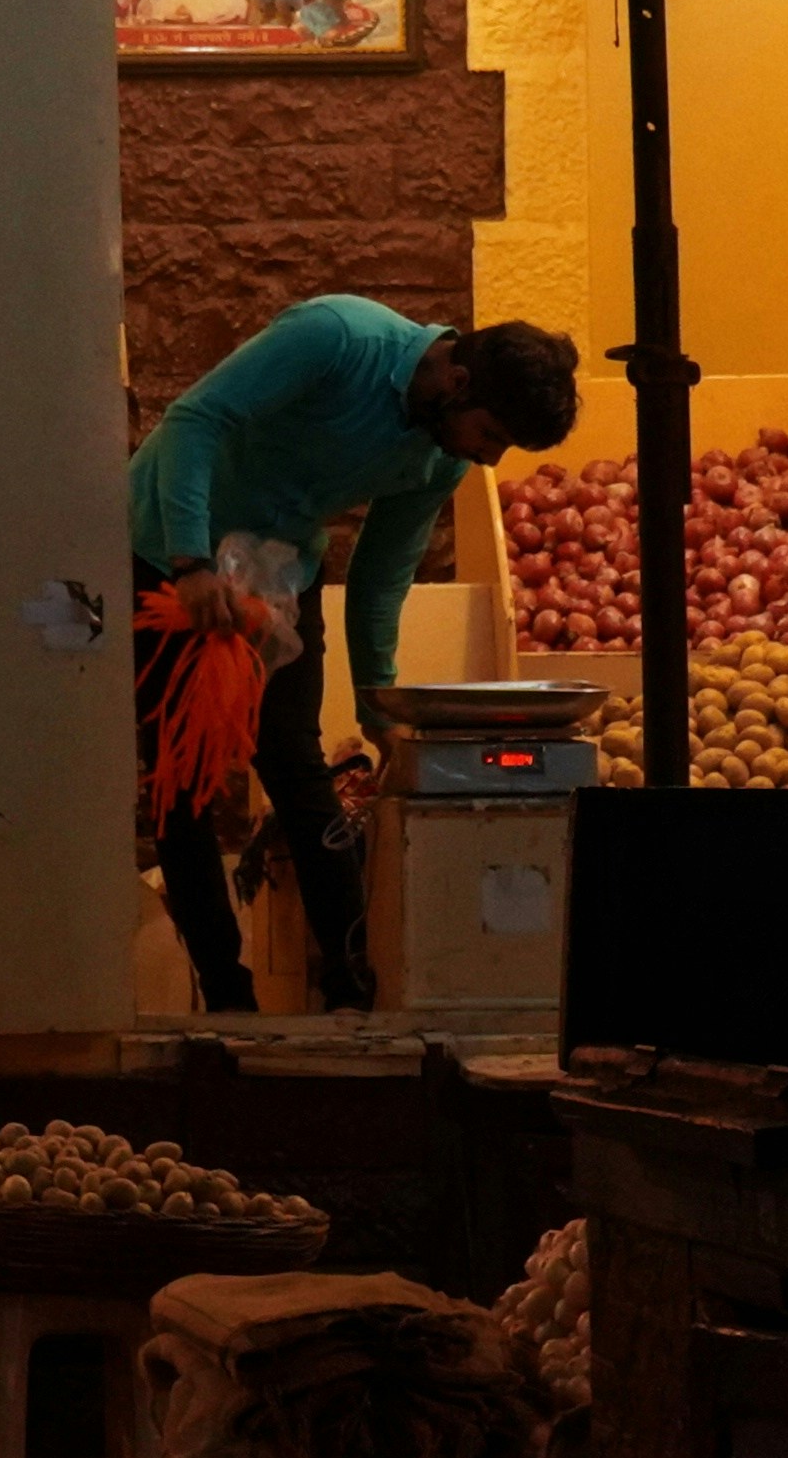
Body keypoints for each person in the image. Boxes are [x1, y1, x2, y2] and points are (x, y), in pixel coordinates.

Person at [130, 303, 585, 1015]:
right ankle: (227, 1005)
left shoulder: (438, 453)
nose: (487, 459)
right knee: (181, 784)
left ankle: (351, 998)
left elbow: (381, 573)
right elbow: (195, 420)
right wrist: (190, 560)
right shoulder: (338, 339)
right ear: (457, 380)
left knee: (298, 770)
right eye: (490, 434)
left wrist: (381, 705)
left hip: (278, 573)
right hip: (164, 553)